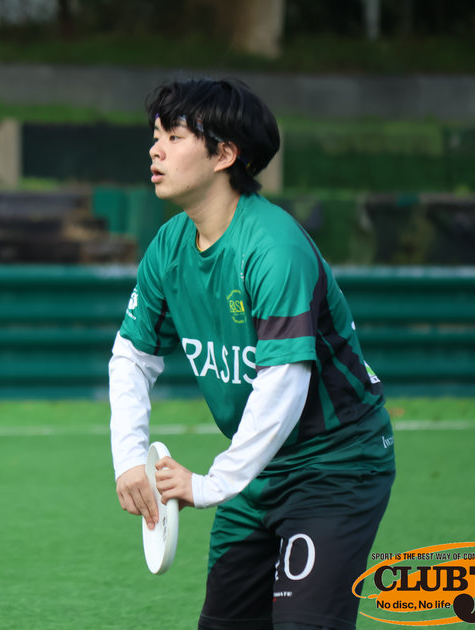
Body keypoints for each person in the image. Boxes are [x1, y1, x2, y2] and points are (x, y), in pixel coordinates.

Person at [109, 77, 396, 630]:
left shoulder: (274, 249)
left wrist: (212, 484)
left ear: (224, 155)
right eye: (156, 135)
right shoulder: (169, 246)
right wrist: (128, 458)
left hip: (335, 465)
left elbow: (283, 382)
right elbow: (131, 358)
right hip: (259, 467)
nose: (155, 149)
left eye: (173, 136)